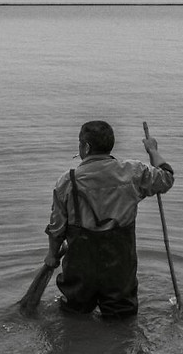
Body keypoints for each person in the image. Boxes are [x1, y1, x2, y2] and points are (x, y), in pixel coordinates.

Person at [44, 120, 174, 318]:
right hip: (119, 269)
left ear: (86, 147)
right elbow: (166, 178)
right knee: (122, 320)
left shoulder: (67, 181)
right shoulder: (133, 172)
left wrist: (52, 256)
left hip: (80, 270)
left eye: (80, 143)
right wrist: (153, 150)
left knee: (74, 318)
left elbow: (57, 229)